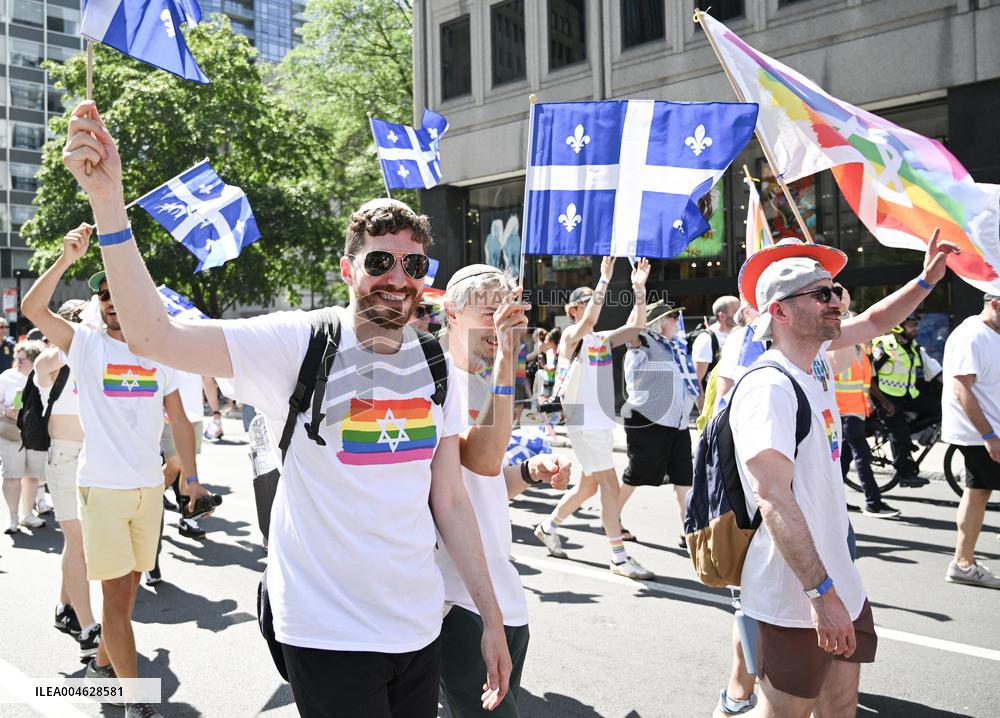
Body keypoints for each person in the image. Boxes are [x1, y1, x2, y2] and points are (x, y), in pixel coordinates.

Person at [61, 100, 512, 717]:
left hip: (419, 627)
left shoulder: (436, 362)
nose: (397, 276)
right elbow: (155, 338)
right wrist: (109, 204)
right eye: (380, 261)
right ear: (349, 269)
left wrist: (491, 617)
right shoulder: (298, 342)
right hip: (325, 633)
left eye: (412, 264)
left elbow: (451, 499)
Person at [720, 231, 956, 717]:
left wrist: (925, 280)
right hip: (796, 592)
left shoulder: (818, 363)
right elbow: (774, 498)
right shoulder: (769, 387)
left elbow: (873, 320)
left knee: (841, 703)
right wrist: (820, 594)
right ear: (779, 312)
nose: (837, 301)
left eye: (836, 291)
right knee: (788, 711)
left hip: (840, 580)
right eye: (821, 293)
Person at [22, 227, 212, 718]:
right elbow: (32, 310)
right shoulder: (85, 344)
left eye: (117, 293)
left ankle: (101, 670)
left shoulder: (158, 349)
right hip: (103, 489)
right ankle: (135, 701)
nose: (109, 301)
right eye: (102, 294)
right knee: (114, 596)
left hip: (149, 490)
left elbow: (182, 419)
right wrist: (64, 260)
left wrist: (190, 478)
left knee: (125, 597)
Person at [438, 264, 570, 717]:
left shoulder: (482, 380)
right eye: (489, 311)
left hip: (505, 595)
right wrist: (507, 355)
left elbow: (487, 479)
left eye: (509, 310)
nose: (501, 322)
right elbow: (481, 458)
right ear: (451, 312)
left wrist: (530, 471)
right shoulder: (432, 383)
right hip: (455, 600)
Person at [533, 257, 655, 580]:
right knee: (609, 484)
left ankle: (548, 526)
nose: (591, 307)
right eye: (584, 303)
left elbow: (637, 326)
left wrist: (638, 289)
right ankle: (618, 555)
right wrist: (604, 279)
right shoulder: (571, 337)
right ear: (573, 310)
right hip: (583, 418)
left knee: (588, 486)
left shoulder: (599, 340)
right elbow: (589, 320)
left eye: (593, 300)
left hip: (597, 419)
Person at [34, 298, 103, 661]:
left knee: (79, 541)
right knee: (79, 541)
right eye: (78, 322)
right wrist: (80, 330)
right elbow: (56, 356)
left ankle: (64, 607)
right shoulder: (51, 359)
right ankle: (90, 626)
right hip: (63, 455)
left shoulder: (92, 356)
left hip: (93, 453)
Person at [619, 300, 700, 550]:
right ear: (660, 323)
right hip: (648, 420)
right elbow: (633, 330)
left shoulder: (675, 347)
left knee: (684, 476)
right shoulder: (643, 343)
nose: (678, 320)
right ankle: (611, 519)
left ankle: (688, 530)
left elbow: (688, 382)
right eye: (674, 316)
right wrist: (640, 293)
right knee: (637, 474)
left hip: (677, 423)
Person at [941, 292, 1000, 589]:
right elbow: (961, 389)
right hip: (982, 433)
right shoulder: (972, 335)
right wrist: (990, 436)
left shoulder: (992, 334)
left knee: (977, 491)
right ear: (995, 304)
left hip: (989, 432)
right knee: (978, 491)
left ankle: (963, 562)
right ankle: (962, 562)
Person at [829, 288, 900, 518]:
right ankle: (873, 502)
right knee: (861, 455)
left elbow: (865, 385)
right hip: (844, 412)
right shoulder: (842, 349)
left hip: (855, 412)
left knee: (848, 457)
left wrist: (875, 402)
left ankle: (836, 502)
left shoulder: (862, 352)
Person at [871, 314, 941, 486]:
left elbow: (936, 371)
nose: (915, 329)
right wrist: (878, 401)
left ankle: (907, 437)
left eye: (915, 325)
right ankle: (904, 474)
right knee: (899, 432)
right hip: (886, 397)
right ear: (899, 326)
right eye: (911, 325)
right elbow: (869, 375)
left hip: (906, 395)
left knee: (937, 409)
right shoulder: (886, 345)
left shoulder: (914, 347)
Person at [0, 339, 48, 533]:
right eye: (17, 358)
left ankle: (27, 514)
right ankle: (13, 518)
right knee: (12, 476)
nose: (19, 362)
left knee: (32, 476)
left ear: (35, 361)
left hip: (36, 433)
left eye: (23, 359)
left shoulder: (44, 378)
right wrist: (6, 413)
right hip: (11, 432)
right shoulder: (7, 377)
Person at [692, 295, 740, 387]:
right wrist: (704, 402)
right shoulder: (706, 339)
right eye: (736, 312)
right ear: (722, 316)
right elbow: (697, 382)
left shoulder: (739, 334)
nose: (741, 315)